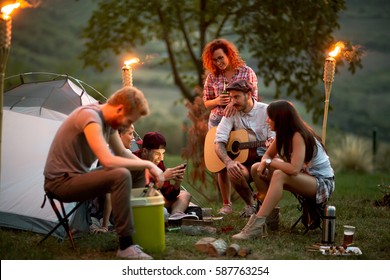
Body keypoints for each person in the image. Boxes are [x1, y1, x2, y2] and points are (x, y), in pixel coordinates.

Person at [43, 86, 164, 260]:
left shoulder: (109, 123)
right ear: (120, 109)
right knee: (120, 174)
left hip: (78, 178)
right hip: (60, 183)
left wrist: (149, 167)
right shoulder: (90, 117)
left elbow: (123, 153)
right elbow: (107, 159)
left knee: (136, 169)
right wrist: (148, 164)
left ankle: (133, 233)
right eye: (128, 121)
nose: (126, 126)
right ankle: (125, 245)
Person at [232, 100, 335, 240]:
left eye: (270, 117)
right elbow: (267, 155)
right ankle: (270, 219)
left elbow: (293, 169)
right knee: (256, 168)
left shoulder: (298, 135)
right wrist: (264, 163)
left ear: (280, 119)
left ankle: (256, 224)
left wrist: (271, 161)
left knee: (280, 175)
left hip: (322, 183)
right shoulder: (282, 133)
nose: (267, 120)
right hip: (305, 177)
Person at [202, 38, 259, 215]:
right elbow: (206, 102)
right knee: (220, 164)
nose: (219, 63)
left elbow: (254, 98)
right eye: (215, 60)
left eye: (221, 58)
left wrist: (234, 103)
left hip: (240, 122)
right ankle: (227, 204)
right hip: (217, 122)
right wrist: (218, 101)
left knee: (243, 158)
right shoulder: (213, 76)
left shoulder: (246, 72)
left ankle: (253, 200)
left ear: (229, 54)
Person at [214, 79, 274, 218]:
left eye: (236, 97)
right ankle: (251, 205)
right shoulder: (232, 112)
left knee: (259, 167)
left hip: (265, 160)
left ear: (249, 94)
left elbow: (274, 139)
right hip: (244, 161)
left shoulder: (266, 111)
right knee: (233, 171)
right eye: (231, 97)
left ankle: (266, 208)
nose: (233, 102)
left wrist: (271, 145)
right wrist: (229, 162)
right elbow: (219, 141)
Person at [133, 132, 195, 220]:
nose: (161, 158)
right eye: (157, 154)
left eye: (163, 154)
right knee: (158, 195)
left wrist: (177, 183)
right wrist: (163, 177)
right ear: (144, 151)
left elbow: (168, 195)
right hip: (137, 202)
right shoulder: (134, 161)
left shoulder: (159, 163)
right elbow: (141, 194)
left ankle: (176, 216)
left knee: (185, 195)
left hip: (155, 200)